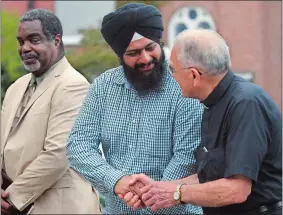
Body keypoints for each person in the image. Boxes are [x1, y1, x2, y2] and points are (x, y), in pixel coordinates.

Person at [66, 3, 203, 215]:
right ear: (120, 56)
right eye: (134, 53)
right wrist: (116, 181)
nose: (146, 58)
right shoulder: (104, 86)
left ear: (160, 43)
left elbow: (187, 158)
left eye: (150, 48)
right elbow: (78, 146)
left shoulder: (182, 86)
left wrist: (150, 197)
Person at [126, 29, 282, 215]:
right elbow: (210, 178)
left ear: (194, 75)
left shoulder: (246, 104)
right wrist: (157, 189)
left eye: (173, 69)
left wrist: (177, 193)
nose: (171, 76)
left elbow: (237, 190)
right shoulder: (213, 103)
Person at [1, 9, 101, 214]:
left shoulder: (73, 85)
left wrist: (12, 198)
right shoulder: (15, 88)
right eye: (21, 42)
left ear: (56, 40)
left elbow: (58, 153)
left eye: (34, 40)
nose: (25, 48)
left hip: (59, 206)